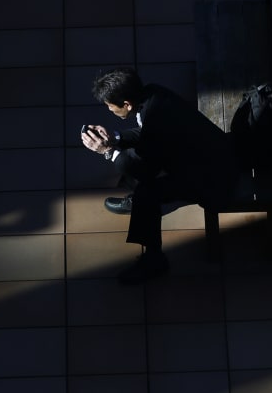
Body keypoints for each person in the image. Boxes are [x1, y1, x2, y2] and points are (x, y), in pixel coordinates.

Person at [80, 67, 237, 284]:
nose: (109, 110)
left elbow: (143, 166)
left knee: (146, 192)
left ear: (127, 104)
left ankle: (154, 261)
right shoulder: (153, 95)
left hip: (210, 177)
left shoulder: (154, 116)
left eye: (110, 106)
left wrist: (107, 151)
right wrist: (115, 137)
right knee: (138, 172)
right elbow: (147, 133)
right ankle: (139, 207)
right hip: (202, 157)